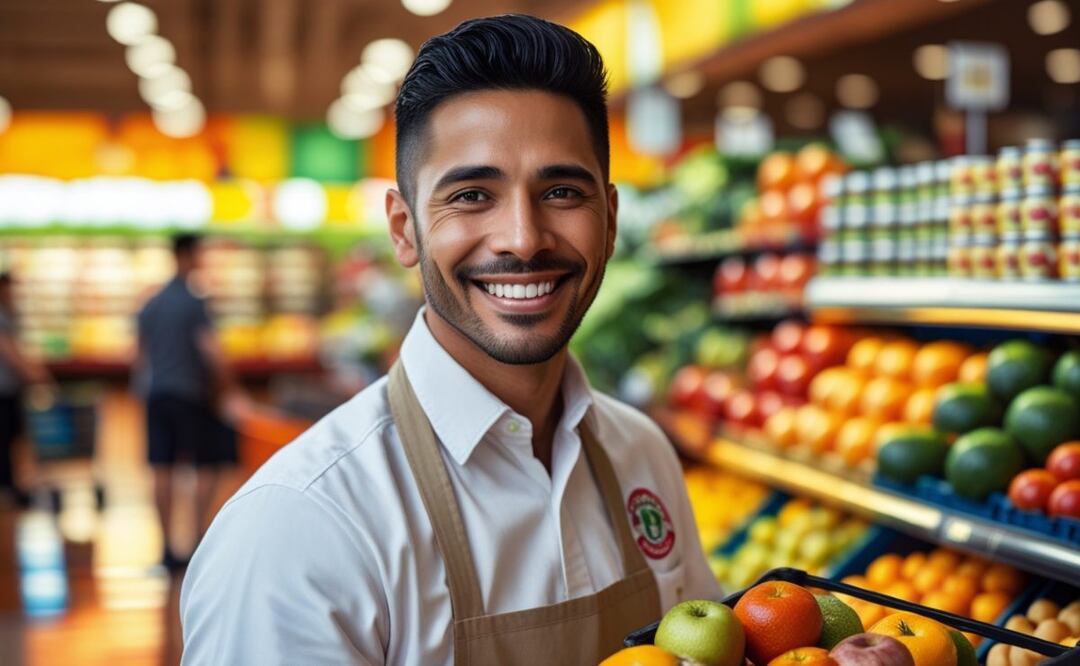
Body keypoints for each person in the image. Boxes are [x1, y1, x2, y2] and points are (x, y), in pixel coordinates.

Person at [180, 15, 719, 665]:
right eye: (471, 195)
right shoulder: (299, 526)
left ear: (609, 220)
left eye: (560, 191)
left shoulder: (641, 454)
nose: (523, 238)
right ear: (404, 230)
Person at [137, 233, 240, 571]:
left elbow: (139, 356)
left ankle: (167, 548)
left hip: (156, 394)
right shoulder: (194, 303)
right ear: (186, 255)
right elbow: (211, 351)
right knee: (203, 465)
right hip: (190, 394)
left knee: (162, 468)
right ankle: (196, 541)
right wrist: (230, 388)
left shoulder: (151, 304)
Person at [0, 272, 52, 508]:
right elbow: (10, 352)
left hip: (10, 389)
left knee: (12, 439)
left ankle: (11, 485)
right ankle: (7, 487)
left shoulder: (10, 316)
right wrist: (36, 374)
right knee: (6, 440)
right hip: (4, 391)